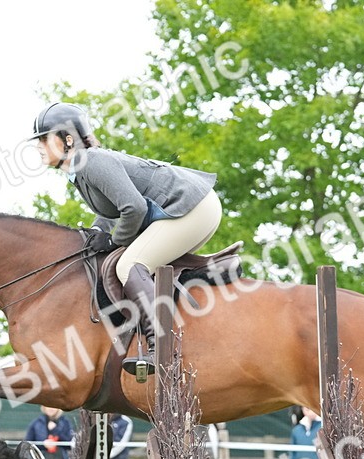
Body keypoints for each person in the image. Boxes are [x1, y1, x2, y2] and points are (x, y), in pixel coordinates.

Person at [30, 102, 222, 379]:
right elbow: (109, 211)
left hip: (191, 207)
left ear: (67, 139)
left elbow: (134, 208)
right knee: (137, 264)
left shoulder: (91, 161)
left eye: (43, 138)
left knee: (128, 265)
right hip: (190, 208)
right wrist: (95, 235)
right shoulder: (80, 169)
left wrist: (115, 242)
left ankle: (161, 347)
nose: (38, 146)